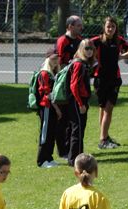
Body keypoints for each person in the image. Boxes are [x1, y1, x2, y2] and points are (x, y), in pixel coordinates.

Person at [91, 17, 128, 149]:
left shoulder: (119, 40)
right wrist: (93, 59)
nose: (110, 29)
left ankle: (104, 137)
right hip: (100, 79)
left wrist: (121, 56)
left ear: (116, 28)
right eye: (108, 26)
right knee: (104, 108)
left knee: (108, 109)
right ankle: (103, 139)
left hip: (114, 80)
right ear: (104, 27)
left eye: (113, 26)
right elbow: (83, 48)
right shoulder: (96, 40)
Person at [55, 16, 83, 160]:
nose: (81, 28)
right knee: (62, 119)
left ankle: (70, 148)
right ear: (70, 26)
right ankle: (62, 150)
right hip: (64, 85)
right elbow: (59, 64)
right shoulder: (62, 41)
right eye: (78, 25)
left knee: (71, 119)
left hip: (75, 84)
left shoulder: (79, 40)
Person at [66, 40, 96, 166]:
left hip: (80, 100)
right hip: (76, 100)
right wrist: (80, 103)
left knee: (78, 129)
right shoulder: (79, 64)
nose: (89, 51)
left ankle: (76, 156)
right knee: (77, 130)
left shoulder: (84, 63)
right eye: (86, 48)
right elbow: (74, 86)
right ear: (81, 49)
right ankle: (74, 159)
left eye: (91, 49)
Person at [36, 50, 62, 168]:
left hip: (52, 106)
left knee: (52, 132)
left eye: (57, 58)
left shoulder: (54, 72)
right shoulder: (44, 73)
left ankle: (49, 158)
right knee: (45, 133)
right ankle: (41, 160)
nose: (55, 60)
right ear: (47, 59)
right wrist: (57, 108)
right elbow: (47, 93)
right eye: (53, 58)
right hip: (46, 106)